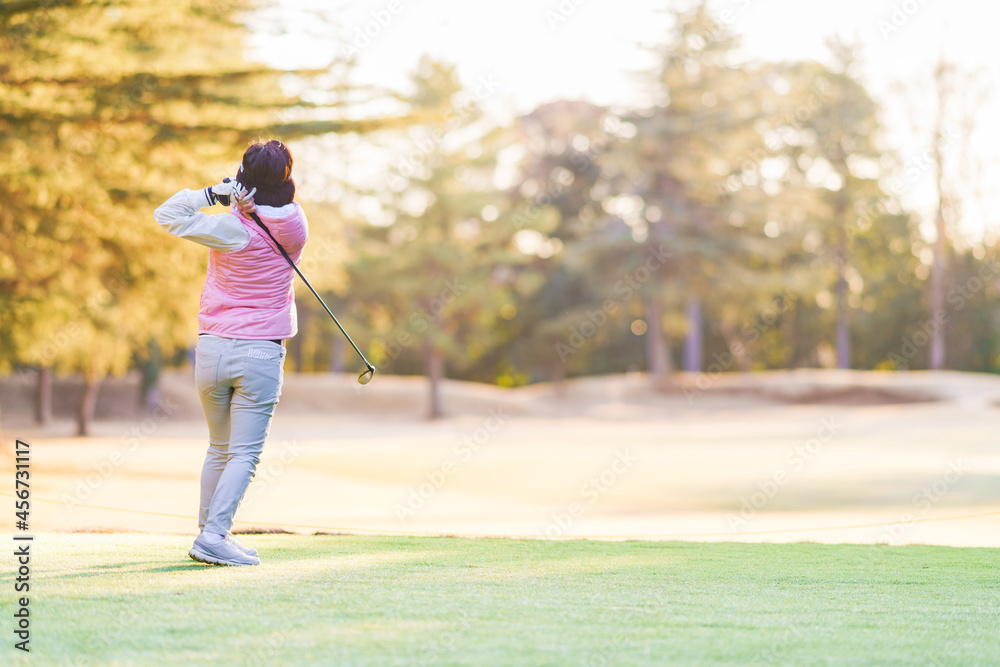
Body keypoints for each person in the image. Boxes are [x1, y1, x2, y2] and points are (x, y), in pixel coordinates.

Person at [153, 139, 308, 566]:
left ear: (243, 182)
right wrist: (249, 201)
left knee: (220, 448)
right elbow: (277, 212)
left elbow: (165, 214)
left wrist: (215, 195)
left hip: (213, 349)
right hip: (260, 354)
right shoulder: (297, 223)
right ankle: (214, 535)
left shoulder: (228, 227)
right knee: (243, 453)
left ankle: (209, 533)